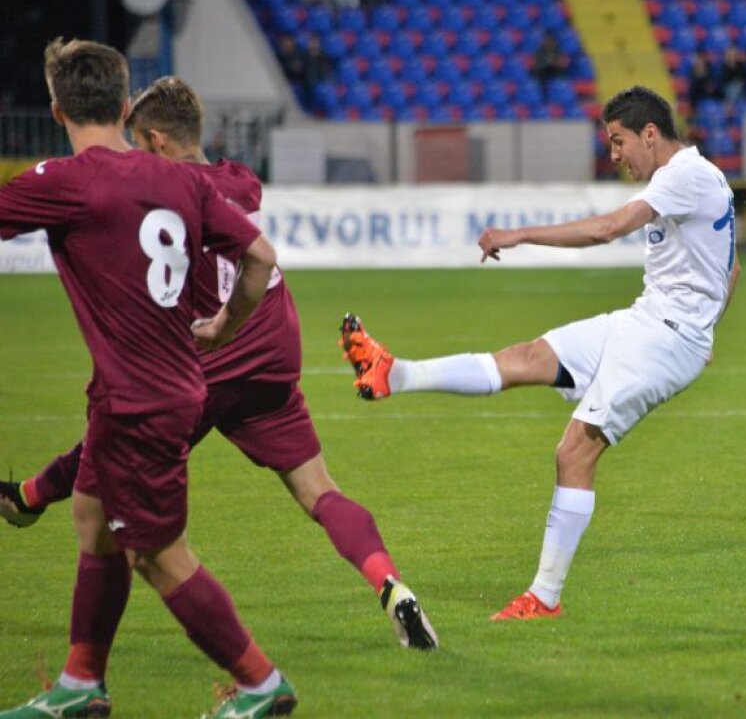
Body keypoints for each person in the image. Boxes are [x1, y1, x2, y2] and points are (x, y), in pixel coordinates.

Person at [0, 76, 438, 651]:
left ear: (155, 140)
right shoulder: (241, 180)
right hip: (276, 352)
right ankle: (391, 586)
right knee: (318, 490)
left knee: (118, 437)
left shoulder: (164, 189)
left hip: (211, 354)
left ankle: (30, 499)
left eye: (136, 141)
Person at [340, 85, 740, 620]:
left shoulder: (683, 175)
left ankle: (545, 597)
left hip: (664, 337)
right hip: (647, 322)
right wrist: (708, 325)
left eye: (619, 142)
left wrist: (520, 234)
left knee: (574, 451)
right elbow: (729, 268)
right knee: (526, 356)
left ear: (651, 133)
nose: (614, 155)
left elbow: (606, 230)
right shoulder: (697, 176)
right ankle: (393, 373)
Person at [0, 39, 292, 718]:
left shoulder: (65, 181)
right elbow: (260, 256)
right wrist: (224, 325)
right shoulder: (186, 181)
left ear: (56, 110)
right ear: (127, 105)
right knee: (92, 518)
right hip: (149, 389)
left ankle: (259, 683)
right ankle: (80, 684)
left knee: (159, 555)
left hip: (142, 402)